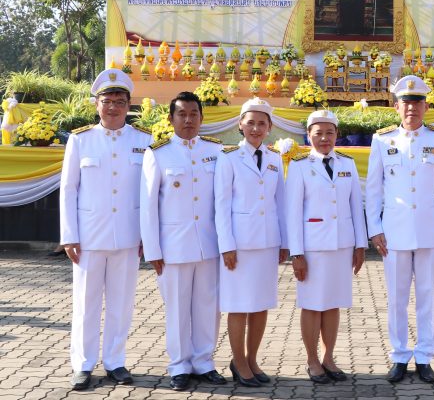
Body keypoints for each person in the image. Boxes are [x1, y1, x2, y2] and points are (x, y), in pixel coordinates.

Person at [60, 69, 151, 390]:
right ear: (96, 104)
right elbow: (68, 189)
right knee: (86, 304)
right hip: (89, 236)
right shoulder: (80, 139)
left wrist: (147, 236)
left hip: (128, 235)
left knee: (121, 303)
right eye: (107, 101)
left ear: (129, 105)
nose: (113, 107)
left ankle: (115, 361)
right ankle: (82, 364)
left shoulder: (143, 141)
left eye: (119, 101)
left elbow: (149, 193)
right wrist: (69, 235)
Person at [365, 75, 434, 384]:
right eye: (406, 103)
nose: (411, 108)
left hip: (431, 230)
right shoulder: (382, 140)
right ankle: (399, 355)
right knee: (396, 297)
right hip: (394, 231)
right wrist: (374, 228)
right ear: (396, 107)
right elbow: (373, 188)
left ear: (426, 106)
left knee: (427, 296)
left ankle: (425, 356)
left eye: (417, 102)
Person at [140, 91, 227, 391]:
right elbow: (148, 205)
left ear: (202, 118)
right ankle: (179, 365)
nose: (188, 120)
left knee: (208, 306)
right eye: (182, 114)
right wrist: (153, 249)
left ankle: (204, 362)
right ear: (171, 118)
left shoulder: (216, 151)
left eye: (193, 114)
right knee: (176, 309)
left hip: (209, 244)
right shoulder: (158, 153)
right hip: (173, 247)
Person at [286, 110, 368, 384]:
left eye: (329, 133)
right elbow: (292, 213)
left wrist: (360, 244)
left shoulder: (347, 163)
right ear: (308, 136)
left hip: (342, 245)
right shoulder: (299, 165)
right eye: (318, 133)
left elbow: (356, 206)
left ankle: (329, 357)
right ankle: (312, 359)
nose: (324, 138)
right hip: (313, 248)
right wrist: (296, 253)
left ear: (337, 135)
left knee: (333, 303)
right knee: (312, 305)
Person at [214, 98, 287, 388]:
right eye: (251, 123)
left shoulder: (274, 159)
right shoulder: (228, 158)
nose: (256, 128)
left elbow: (281, 203)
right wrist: (226, 245)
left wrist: (285, 242)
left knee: (260, 305)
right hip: (240, 245)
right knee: (239, 306)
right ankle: (238, 361)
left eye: (261, 123)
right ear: (240, 125)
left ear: (269, 127)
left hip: (267, 243)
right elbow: (221, 206)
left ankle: (252, 359)